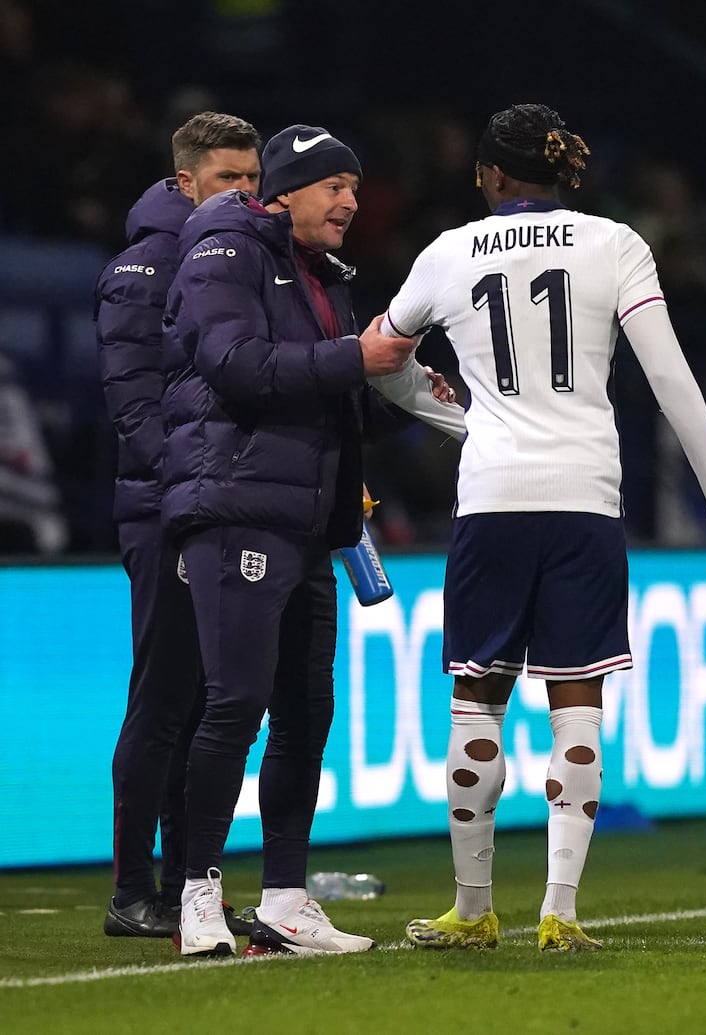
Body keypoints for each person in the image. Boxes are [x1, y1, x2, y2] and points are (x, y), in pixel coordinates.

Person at [376, 102, 706, 952]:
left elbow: (381, 358)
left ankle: (472, 910)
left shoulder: (446, 252)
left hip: (493, 496)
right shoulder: (615, 244)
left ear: (494, 175)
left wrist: (463, 423)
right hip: (585, 496)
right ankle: (562, 912)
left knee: (477, 700)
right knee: (576, 704)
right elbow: (672, 380)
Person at [160, 123, 465, 957]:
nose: (351, 203)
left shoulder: (324, 276)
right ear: (284, 191)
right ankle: (196, 893)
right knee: (234, 705)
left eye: (356, 190)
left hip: (310, 516)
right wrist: (351, 357)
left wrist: (406, 387)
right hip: (241, 507)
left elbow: (335, 387)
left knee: (305, 713)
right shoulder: (226, 252)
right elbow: (237, 365)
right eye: (334, 187)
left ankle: (288, 898)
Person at [94, 111, 263, 938]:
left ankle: (180, 885)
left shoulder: (228, 259)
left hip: (208, 503)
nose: (245, 193)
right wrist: (191, 484)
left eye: (254, 179)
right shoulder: (147, 265)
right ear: (186, 180)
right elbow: (133, 402)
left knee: (199, 701)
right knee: (163, 698)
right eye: (229, 178)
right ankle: (134, 889)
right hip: (164, 509)